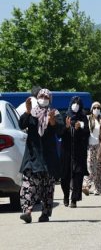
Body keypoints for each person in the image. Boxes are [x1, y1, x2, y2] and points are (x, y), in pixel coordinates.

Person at [18, 89, 65, 223]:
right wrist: (27, 112)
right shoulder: (31, 113)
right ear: (37, 97)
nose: (44, 98)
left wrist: (53, 122)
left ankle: (45, 213)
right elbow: (21, 125)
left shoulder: (54, 113)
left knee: (47, 187)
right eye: (42, 96)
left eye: (47, 96)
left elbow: (61, 131)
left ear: (50, 99)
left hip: (48, 158)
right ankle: (27, 211)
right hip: (32, 156)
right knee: (28, 185)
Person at [61, 96, 90, 208]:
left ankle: (74, 199)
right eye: (74, 103)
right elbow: (60, 133)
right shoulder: (65, 116)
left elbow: (87, 133)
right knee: (65, 176)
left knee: (78, 176)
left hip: (79, 152)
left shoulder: (83, 118)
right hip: (66, 151)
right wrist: (66, 127)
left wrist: (79, 130)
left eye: (78, 104)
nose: (76, 106)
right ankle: (66, 196)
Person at [82, 101, 101, 196]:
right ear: (91, 109)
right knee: (89, 166)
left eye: (98, 108)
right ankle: (86, 186)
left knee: (98, 168)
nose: (96, 109)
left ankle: (98, 189)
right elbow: (83, 126)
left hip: (100, 146)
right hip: (90, 146)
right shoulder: (88, 118)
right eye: (94, 107)